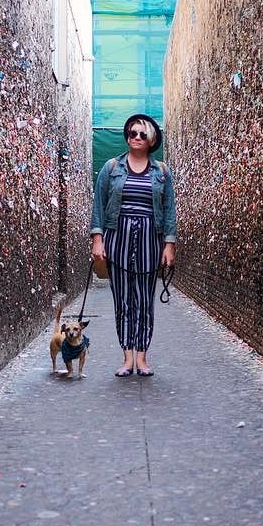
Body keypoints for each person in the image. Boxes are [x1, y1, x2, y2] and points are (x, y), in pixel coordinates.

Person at [89, 114, 176, 377]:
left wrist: (169, 245)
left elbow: (169, 210)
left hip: (151, 238)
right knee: (123, 301)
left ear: (150, 140)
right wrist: (97, 239)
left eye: (141, 134)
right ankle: (127, 358)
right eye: (131, 133)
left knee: (144, 301)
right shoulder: (112, 168)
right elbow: (98, 206)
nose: (135, 137)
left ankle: (143, 358)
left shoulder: (161, 172)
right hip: (119, 239)